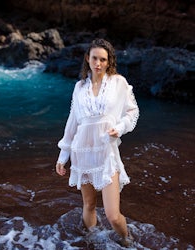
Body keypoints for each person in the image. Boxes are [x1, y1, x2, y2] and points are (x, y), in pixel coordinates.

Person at [56, 38, 139, 247]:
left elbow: (132, 111)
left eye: (103, 59)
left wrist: (119, 128)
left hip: (106, 152)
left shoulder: (118, 82)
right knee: (89, 204)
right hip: (81, 153)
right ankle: (93, 240)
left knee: (112, 215)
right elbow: (73, 122)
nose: (98, 63)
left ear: (109, 61)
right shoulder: (79, 87)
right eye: (95, 58)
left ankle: (126, 240)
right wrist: (62, 156)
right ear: (88, 58)